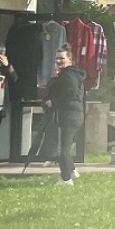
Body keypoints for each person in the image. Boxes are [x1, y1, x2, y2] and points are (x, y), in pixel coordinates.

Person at [43, 46, 86, 185]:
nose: (58, 61)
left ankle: (66, 179)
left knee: (64, 150)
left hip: (70, 114)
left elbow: (70, 93)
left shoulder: (67, 75)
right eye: (56, 59)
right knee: (65, 146)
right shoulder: (72, 74)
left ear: (70, 60)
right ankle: (72, 171)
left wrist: (53, 102)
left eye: (62, 58)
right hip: (75, 114)